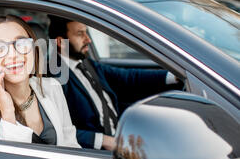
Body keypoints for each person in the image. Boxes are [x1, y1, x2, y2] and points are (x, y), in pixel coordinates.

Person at [48, 16, 182, 151]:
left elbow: (127, 77)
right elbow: (55, 129)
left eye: (86, 32)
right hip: (97, 150)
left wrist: (174, 76)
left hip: (120, 133)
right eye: (80, 34)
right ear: (61, 42)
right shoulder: (53, 76)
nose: (88, 39)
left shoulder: (86, 64)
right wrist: (105, 141)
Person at [0, 15, 81, 148]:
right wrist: (7, 112)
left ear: (34, 50)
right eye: (0, 48)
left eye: (22, 43)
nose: (13, 55)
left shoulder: (53, 87)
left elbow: (71, 145)